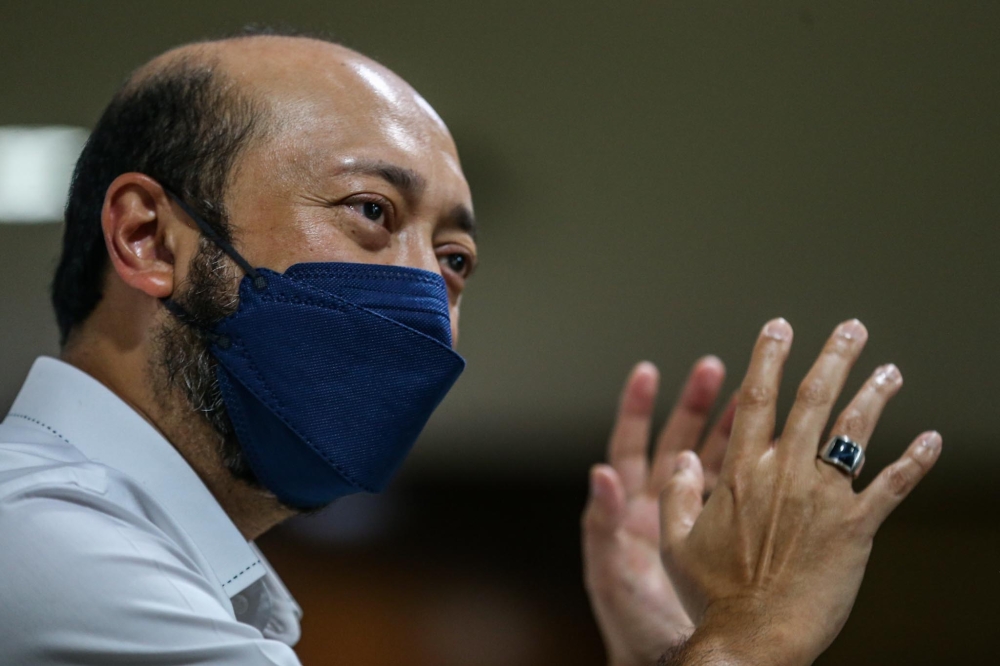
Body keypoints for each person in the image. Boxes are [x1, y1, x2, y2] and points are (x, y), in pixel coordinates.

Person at [0, 28, 941, 665]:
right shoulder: (39, 541)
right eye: (371, 211)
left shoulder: (148, 557)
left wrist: (668, 646)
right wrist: (752, 631)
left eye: (454, 260)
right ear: (148, 240)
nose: (424, 292)